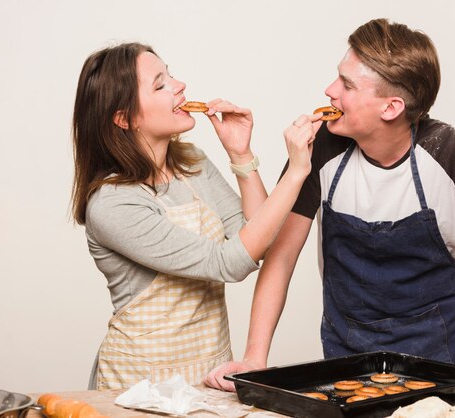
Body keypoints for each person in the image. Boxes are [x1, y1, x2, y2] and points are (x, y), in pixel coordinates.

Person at [205, 18, 455, 391]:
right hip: (347, 361)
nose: (329, 90)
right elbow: (280, 257)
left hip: (445, 362)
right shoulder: (320, 150)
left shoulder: (453, 153)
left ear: (391, 107)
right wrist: (254, 359)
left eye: (346, 84)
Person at [70, 42, 320, 390]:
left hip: (211, 372)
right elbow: (229, 263)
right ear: (124, 118)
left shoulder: (191, 162)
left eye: (170, 74)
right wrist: (296, 173)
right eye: (160, 84)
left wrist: (240, 154)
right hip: (139, 387)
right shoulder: (113, 203)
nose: (179, 85)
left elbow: (263, 240)